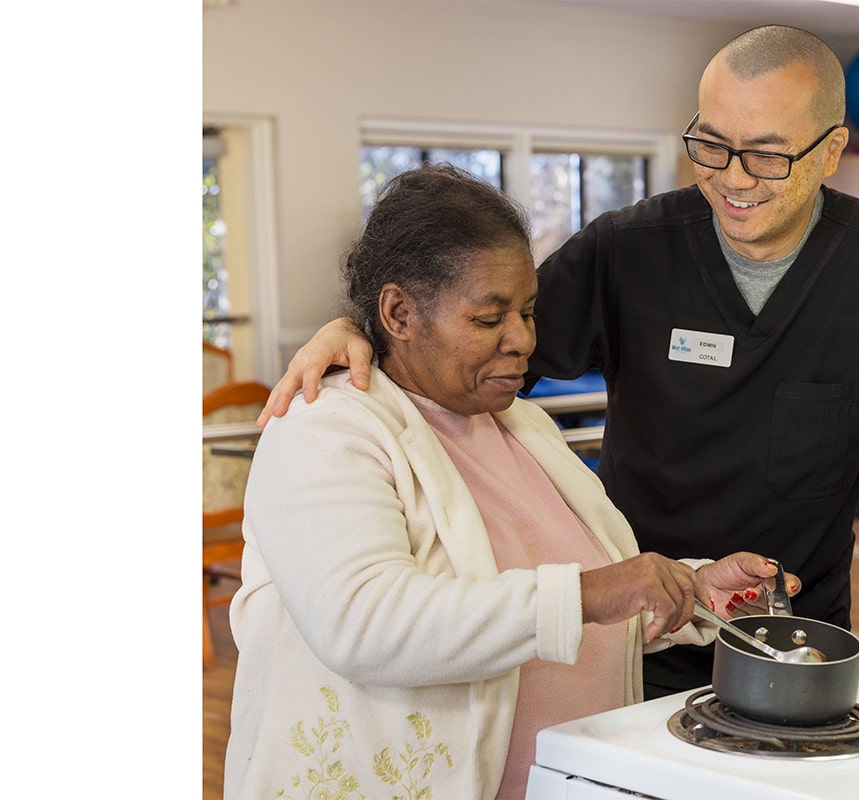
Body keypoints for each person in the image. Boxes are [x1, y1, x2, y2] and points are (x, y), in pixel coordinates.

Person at [257, 25, 859, 701]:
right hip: (633, 623)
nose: (735, 178)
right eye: (711, 145)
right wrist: (354, 331)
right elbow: (461, 344)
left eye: (768, 155)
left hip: (785, 627)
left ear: (832, 150)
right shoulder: (628, 249)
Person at [224, 164, 795, 800]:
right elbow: (363, 623)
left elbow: (561, 604)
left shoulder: (519, 424)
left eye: (527, 310)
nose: (523, 340)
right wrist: (589, 592)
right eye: (489, 318)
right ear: (398, 313)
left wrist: (688, 592)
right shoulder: (325, 428)